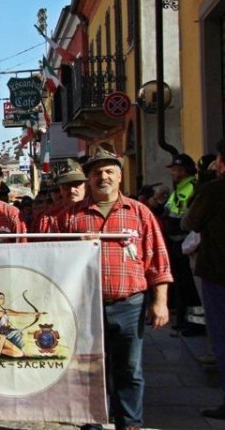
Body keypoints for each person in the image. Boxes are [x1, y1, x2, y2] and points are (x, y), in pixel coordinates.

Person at [56, 147, 172, 430]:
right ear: (88, 179)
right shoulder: (70, 216)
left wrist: (160, 302)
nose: (103, 177)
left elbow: (158, 259)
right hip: (84, 306)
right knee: (89, 370)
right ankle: (92, 423)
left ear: (120, 177)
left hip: (129, 304)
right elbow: (55, 259)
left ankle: (129, 423)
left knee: (129, 369)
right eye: (96, 173)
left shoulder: (139, 213)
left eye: (109, 171)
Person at [182, 139, 225, 419]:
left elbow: (189, 222)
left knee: (222, 337)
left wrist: (206, 183)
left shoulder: (214, 190)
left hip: (219, 272)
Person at [163, 153, 201, 335]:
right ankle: (182, 320)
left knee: (189, 285)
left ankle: (195, 324)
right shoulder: (179, 188)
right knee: (180, 284)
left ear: (184, 171)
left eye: (176, 169)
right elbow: (170, 212)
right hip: (176, 244)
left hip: (187, 244)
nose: (173, 173)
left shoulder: (192, 186)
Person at [35, 159, 86, 234]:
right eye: (66, 186)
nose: (72, 190)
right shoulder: (48, 218)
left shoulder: (96, 213)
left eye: (76, 184)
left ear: (86, 186)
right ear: (60, 189)